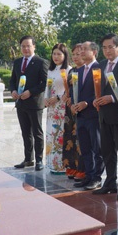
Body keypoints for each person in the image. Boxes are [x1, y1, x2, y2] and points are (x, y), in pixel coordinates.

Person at [92, 34, 118, 200]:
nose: (107, 50)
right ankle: (110, 182)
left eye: (111, 47)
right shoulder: (101, 65)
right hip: (103, 116)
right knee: (107, 152)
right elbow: (98, 88)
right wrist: (96, 99)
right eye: (104, 47)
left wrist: (112, 98)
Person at [10, 35, 48, 170]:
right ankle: (28, 159)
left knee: (37, 132)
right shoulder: (17, 62)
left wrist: (31, 92)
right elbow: (12, 80)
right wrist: (13, 91)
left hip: (34, 103)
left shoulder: (41, 62)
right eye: (23, 46)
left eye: (28, 46)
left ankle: (39, 160)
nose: (26, 48)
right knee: (25, 132)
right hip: (21, 104)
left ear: (34, 47)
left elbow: (44, 83)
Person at [71, 41, 104, 191]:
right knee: (85, 148)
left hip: (93, 114)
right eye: (80, 49)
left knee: (97, 148)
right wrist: (73, 103)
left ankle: (97, 177)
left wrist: (88, 103)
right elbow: (74, 91)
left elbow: (101, 92)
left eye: (85, 49)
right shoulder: (77, 71)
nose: (82, 52)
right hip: (80, 115)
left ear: (94, 52)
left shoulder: (100, 68)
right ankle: (88, 176)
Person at [44, 43, 69, 174]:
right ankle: (52, 164)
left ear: (65, 55)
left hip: (62, 108)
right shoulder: (50, 70)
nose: (56, 56)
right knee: (51, 135)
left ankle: (63, 165)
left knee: (60, 134)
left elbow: (68, 90)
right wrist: (45, 99)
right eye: (54, 53)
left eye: (59, 54)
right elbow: (46, 88)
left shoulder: (69, 70)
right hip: (51, 109)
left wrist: (58, 98)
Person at [62, 43, 85, 180]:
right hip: (70, 110)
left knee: (80, 141)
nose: (76, 57)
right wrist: (66, 96)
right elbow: (68, 90)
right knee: (69, 138)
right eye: (74, 54)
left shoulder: (87, 71)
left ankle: (82, 169)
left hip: (81, 109)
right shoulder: (72, 71)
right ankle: (72, 166)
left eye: (79, 54)